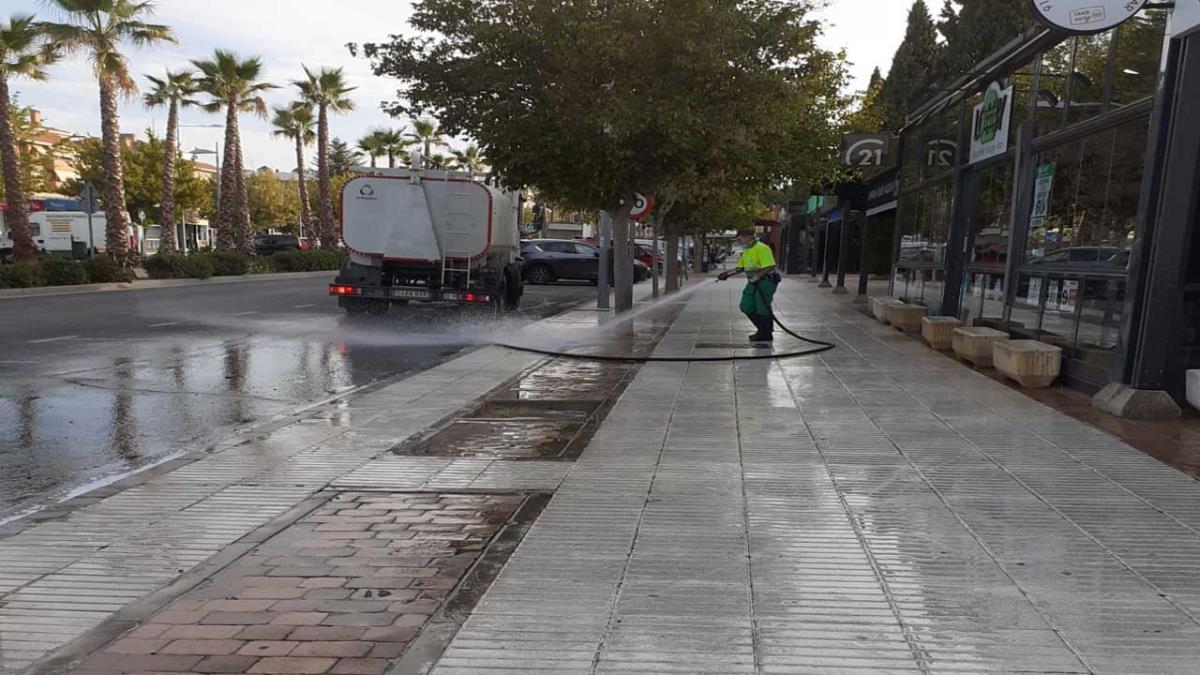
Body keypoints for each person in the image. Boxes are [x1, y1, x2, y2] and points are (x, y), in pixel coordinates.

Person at [719, 229, 778, 342]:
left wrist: (757, 277)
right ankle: (762, 329)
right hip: (753, 282)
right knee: (746, 305)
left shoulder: (762, 248)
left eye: (739, 238)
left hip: (766, 282)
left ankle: (765, 333)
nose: (738, 241)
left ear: (748, 237)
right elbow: (740, 268)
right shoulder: (746, 250)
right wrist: (727, 274)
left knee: (762, 307)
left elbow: (770, 265)